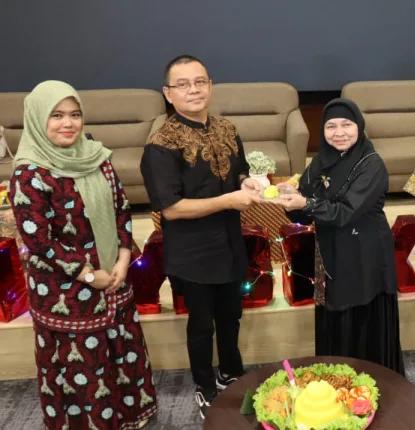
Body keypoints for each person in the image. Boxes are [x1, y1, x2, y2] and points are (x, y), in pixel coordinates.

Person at [10, 80, 157, 429]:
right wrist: (88, 274)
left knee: (122, 350)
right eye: (56, 115)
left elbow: (121, 207)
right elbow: (39, 240)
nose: (68, 123)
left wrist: (123, 258)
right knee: (84, 365)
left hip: (113, 278)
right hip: (65, 289)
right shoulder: (29, 174)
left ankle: (128, 417)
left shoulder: (96, 156)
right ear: (37, 120)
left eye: (75, 114)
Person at [140, 55, 263, 419]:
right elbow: (171, 208)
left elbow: (239, 171)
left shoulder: (226, 128)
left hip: (230, 242)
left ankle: (231, 372)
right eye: (183, 84)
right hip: (192, 250)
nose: (193, 90)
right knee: (201, 324)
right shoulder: (161, 144)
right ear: (168, 93)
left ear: (210, 86)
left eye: (200, 82)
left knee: (231, 315)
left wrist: (247, 183)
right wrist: (228, 200)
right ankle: (205, 385)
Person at [277, 98, 405, 375]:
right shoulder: (320, 162)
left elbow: (346, 212)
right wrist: (289, 196)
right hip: (331, 253)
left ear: (359, 126)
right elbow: (303, 213)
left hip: (364, 253)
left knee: (362, 316)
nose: (339, 133)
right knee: (335, 314)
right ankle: (336, 382)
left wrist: (305, 203)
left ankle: (370, 381)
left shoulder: (371, 164)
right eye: (331, 126)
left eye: (346, 125)